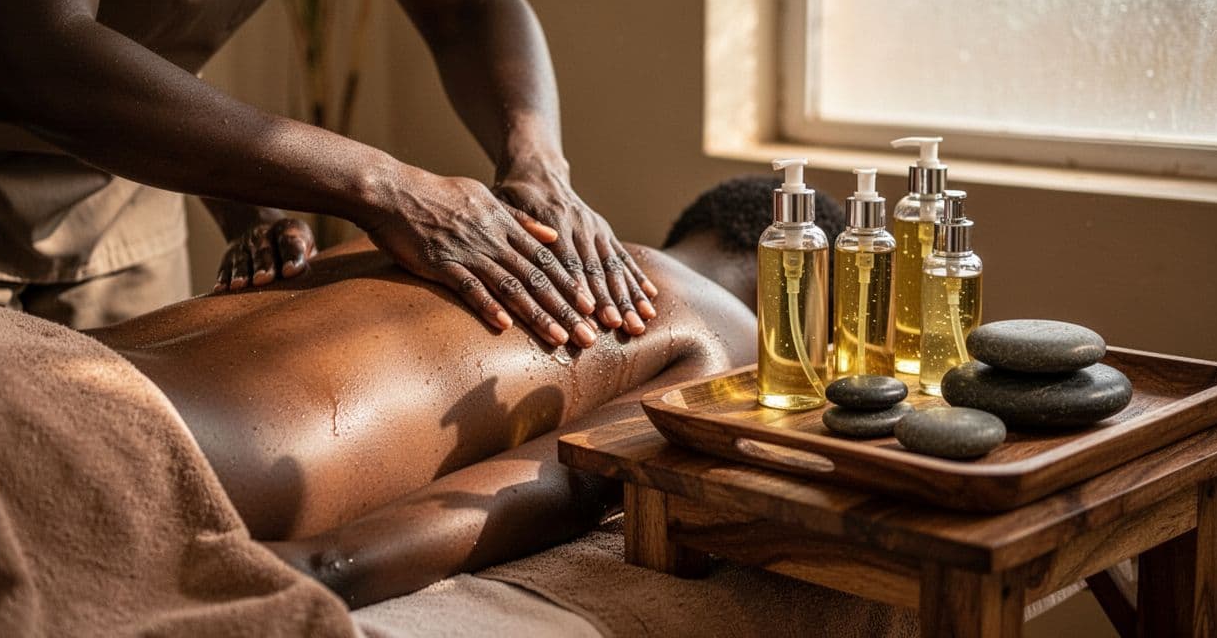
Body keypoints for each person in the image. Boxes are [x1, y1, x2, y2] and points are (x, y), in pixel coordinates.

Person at [0, 0, 653, 342]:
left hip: (121, 209)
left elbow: (469, 3)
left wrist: (538, 158)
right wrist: (385, 189)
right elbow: (31, 54)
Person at [84, 176, 841, 607]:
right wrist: (315, 571)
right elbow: (565, 483)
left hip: (35, 353)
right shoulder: (736, 341)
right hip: (130, 451)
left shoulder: (470, 220)